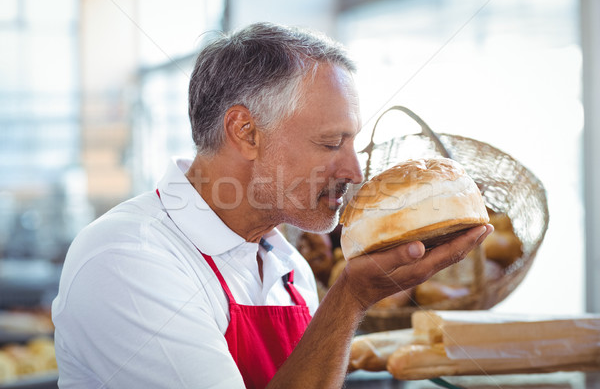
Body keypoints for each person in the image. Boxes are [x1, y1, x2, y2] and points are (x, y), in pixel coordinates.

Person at [51, 22, 492, 388]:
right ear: (245, 131)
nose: (355, 171)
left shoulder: (288, 265)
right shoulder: (129, 258)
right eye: (330, 142)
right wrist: (350, 299)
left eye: (352, 141)